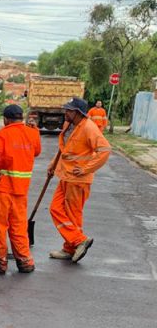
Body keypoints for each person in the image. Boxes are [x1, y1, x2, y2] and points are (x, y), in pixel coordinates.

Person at [48, 97, 111, 263]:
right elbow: (65, 149)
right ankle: (73, 244)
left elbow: (105, 150)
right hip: (66, 176)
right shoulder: (69, 125)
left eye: (68, 110)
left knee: (73, 215)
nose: (65, 112)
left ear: (77, 112)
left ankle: (75, 243)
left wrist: (85, 169)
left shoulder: (89, 128)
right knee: (55, 208)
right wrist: (53, 164)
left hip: (78, 180)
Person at [0, 104, 42, 275]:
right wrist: (35, 130)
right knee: (18, 227)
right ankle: (25, 262)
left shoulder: (2, 134)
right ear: (21, 118)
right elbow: (36, 151)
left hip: (1, 188)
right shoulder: (32, 133)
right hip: (20, 191)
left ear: (7, 119)